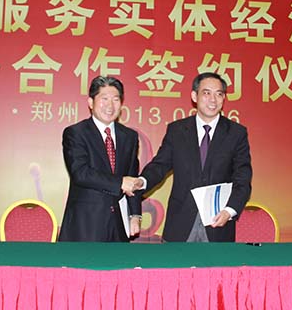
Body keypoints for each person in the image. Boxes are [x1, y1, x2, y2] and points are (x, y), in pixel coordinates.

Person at [138, 72, 252, 242]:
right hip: (181, 223)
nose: (213, 100)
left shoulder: (236, 133)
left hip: (218, 224)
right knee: (175, 261)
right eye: (206, 93)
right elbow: (160, 165)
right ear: (194, 96)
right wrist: (142, 181)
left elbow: (243, 178)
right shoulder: (177, 130)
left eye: (219, 94)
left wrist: (230, 210)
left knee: (216, 262)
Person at [58, 75, 142, 242]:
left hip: (118, 225)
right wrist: (119, 182)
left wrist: (135, 215)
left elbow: (132, 178)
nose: (110, 105)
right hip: (85, 224)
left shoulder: (129, 136)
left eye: (116, 100)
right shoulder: (76, 133)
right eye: (104, 99)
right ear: (91, 102)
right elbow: (81, 173)